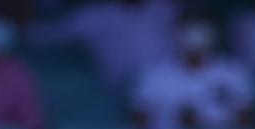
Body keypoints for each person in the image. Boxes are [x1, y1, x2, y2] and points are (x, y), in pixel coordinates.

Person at [132, 13, 255, 129]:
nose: (195, 34)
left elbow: (247, 119)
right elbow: (140, 120)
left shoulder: (235, 72)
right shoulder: (154, 74)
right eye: (189, 29)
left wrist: (205, 126)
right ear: (177, 34)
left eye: (201, 28)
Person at [29, 0, 179, 91]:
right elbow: (45, 35)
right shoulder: (95, 15)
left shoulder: (166, 8)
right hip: (125, 89)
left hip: (172, 84)